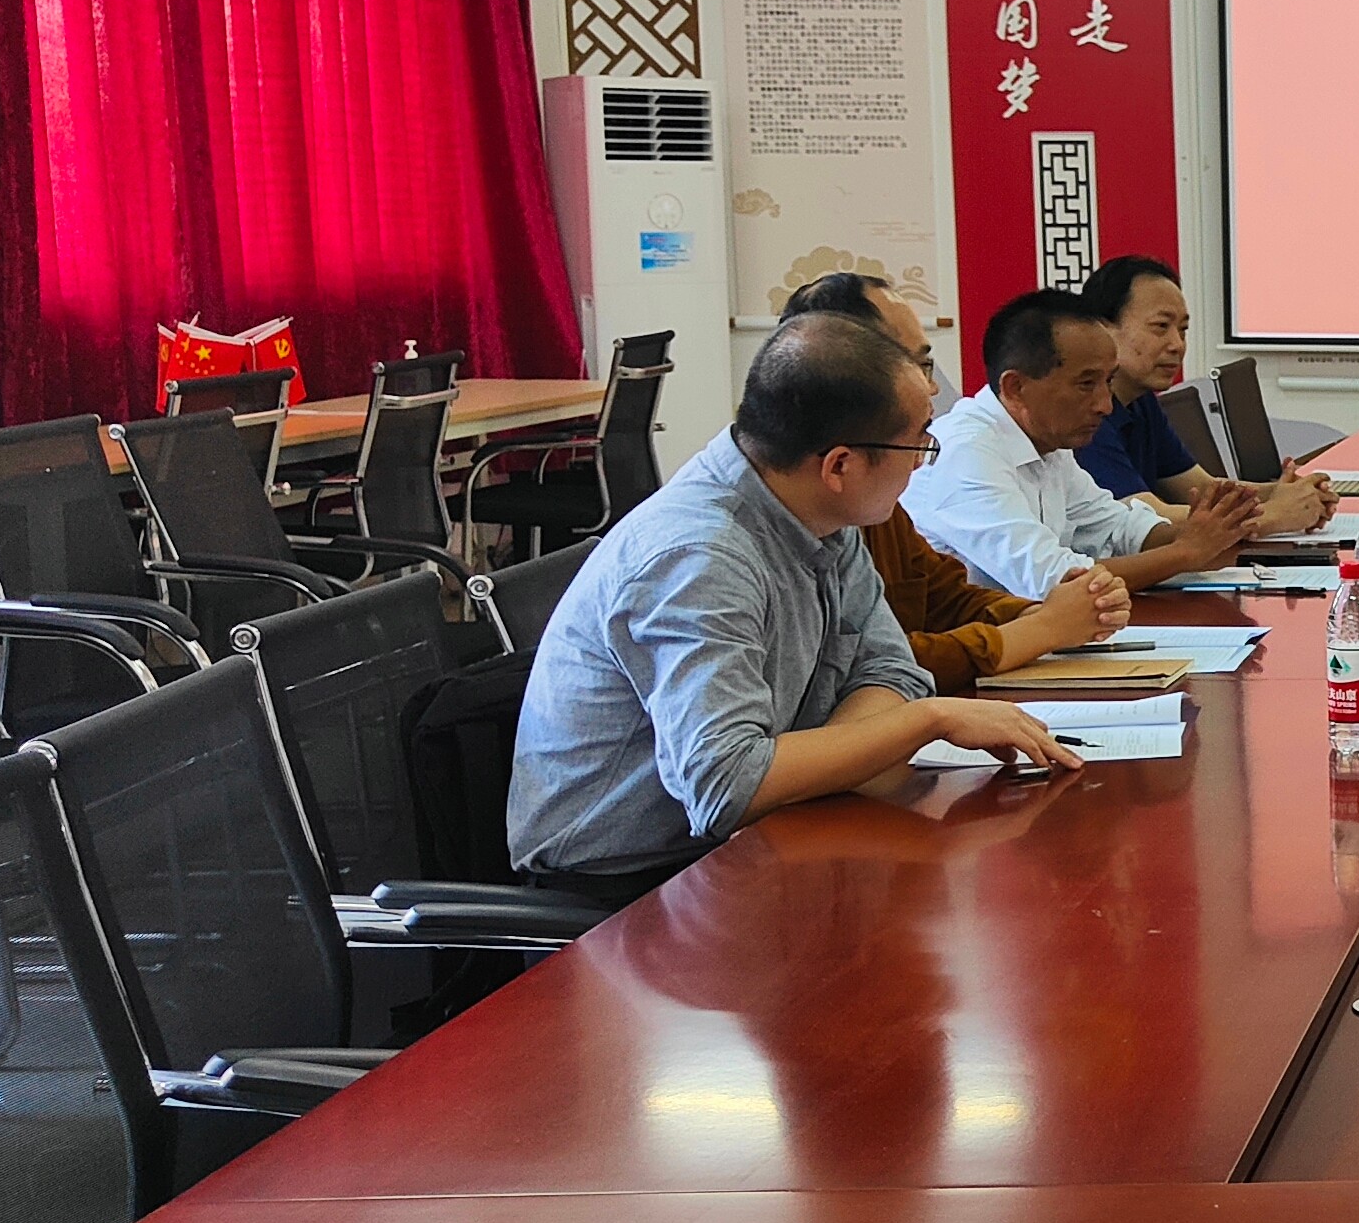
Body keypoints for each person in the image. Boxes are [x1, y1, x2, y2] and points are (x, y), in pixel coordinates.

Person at [507, 313, 1077, 904]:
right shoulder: (698, 557)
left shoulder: (822, 510)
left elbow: (890, 669)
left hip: (770, 835)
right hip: (629, 891)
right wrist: (925, 721)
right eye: (918, 443)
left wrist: (812, 765)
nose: (920, 462)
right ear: (839, 465)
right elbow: (726, 788)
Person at [780, 271, 1128, 689]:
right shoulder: (751, 529)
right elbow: (869, 663)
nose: (931, 388)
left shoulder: (868, 493)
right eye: (914, 365)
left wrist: (1032, 615)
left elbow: (942, 595)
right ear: (839, 373)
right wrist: (1042, 629)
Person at [907, 290, 1275, 598]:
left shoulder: (1049, 442)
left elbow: (1117, 529)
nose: (1105, 404)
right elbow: (1057, 580)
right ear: (1015, 387)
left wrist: (1209, 532)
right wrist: (1185, 553)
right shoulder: (964, 452)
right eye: (1086, 384)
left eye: (1108, 382)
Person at [1068, 253, 1332, 530]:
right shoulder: (1086, 416)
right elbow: (1143, 520)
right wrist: (1272, 514)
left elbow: (1201, 488)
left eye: (1182, 330)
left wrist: (1286, 493)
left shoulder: (1141, 400)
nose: (1177, 345)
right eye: (1161, 327)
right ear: (1103, 329)